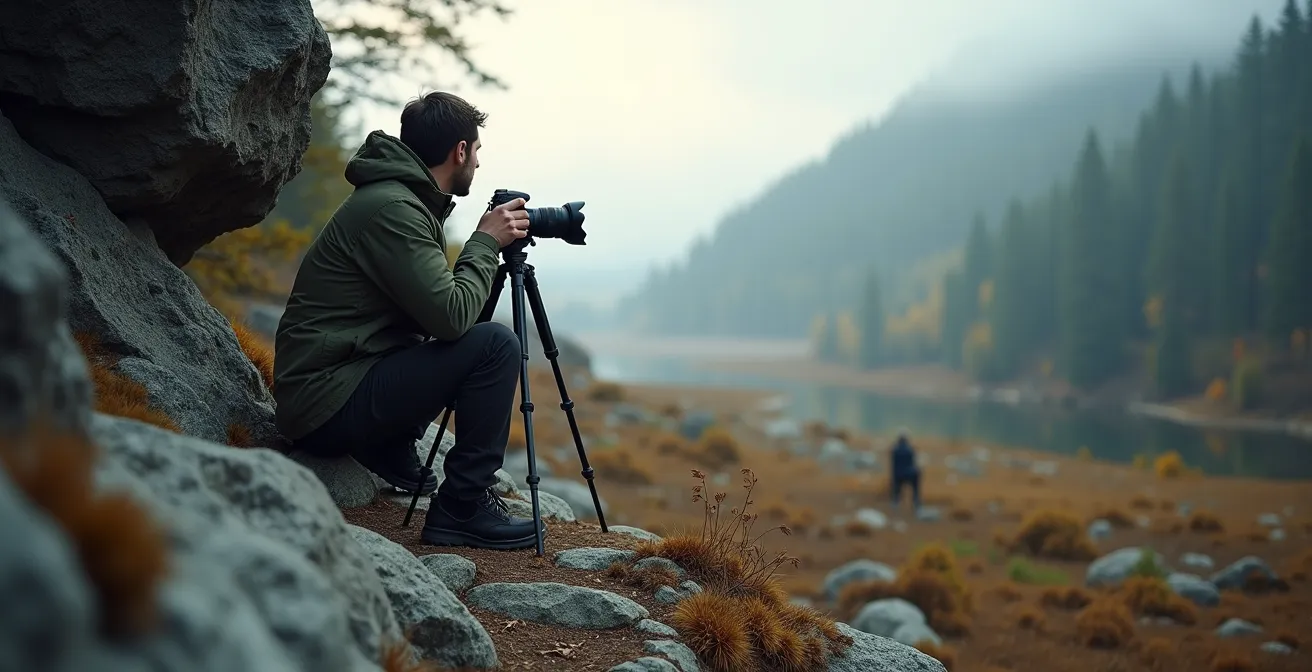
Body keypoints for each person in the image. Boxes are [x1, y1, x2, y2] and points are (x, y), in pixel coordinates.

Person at [272, 91, 543, 550]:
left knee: (472, 343)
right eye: (476, 151)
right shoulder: (393, 210)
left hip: (338, 382)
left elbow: (443, 322)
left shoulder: (405, 202)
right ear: (460, 150)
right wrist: (483, 243)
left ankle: (386, 445)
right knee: (497, 345)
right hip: (323, 399)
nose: (477, 163)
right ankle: (461, 508)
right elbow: (455, 320)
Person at [889, 430, 921, 511]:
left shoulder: (895, 450)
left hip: (898, 475)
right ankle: (916, 500)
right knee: (917, 477)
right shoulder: (910, 450)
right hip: (909, 474)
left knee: (896, 483)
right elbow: (912, 463)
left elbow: (893, 466)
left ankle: (896, 500)